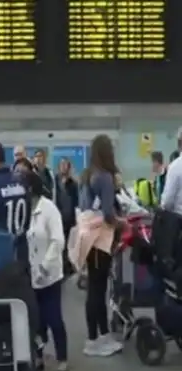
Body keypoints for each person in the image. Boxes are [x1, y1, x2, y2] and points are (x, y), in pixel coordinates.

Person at [78, 134, 125, 357]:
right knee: (98, 290)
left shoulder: (87, 176)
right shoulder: (105, 177)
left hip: (88, 238)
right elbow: (108, 213)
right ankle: (94, 339)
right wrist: (122, 223)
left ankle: (100, 336)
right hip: (102, 239)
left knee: (94, 289)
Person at [26, 172, 69, 371]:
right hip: (30, 275)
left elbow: (58, 240)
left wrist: (44, 266)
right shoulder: (22, 210)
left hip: (50, 274)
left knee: (54, 318)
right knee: (36, 321)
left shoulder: (48, 208)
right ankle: (39, 357)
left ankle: (62, 359)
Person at [55, 158, 79, 274]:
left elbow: (76, 202)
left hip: (69, 217)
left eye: (66, 165)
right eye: (62, 164)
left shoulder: (73, 184)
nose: (63, 167)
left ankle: (67, 266)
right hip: (58, 217)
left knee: (68, 244)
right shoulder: (55, 182)